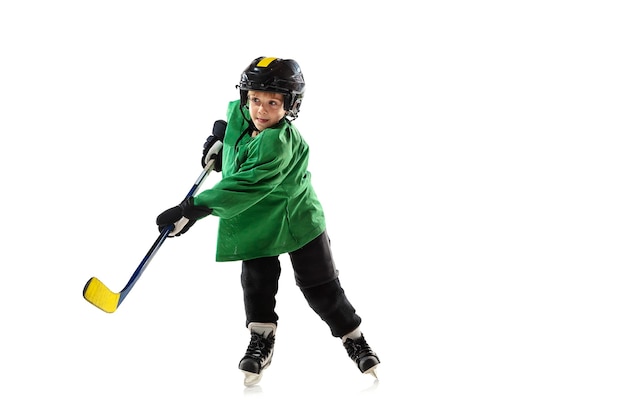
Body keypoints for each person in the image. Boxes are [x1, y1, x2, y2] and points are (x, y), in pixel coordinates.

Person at [156, 56, 380, 386]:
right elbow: (234, 125)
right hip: (254, 217)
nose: (261, 110)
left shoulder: (280, 144)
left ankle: (353, 336)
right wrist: (220, 142)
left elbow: (243, 184)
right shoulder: (246, 114)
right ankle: (262, 341)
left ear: (290, 106)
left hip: (295, 218)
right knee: (256, 284)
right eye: (255, 100)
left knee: (320, 288)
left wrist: (193, 209)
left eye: (273, 103)